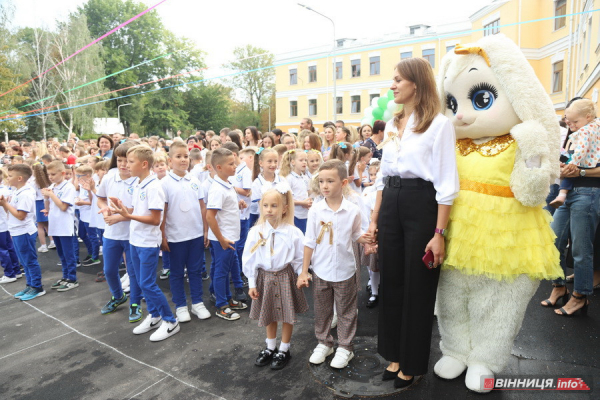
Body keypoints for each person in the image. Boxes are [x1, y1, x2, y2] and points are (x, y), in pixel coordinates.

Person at [368, 57, 459, 388]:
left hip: (422, 204)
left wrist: (439, 233)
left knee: (418, 286)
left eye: (397, 80)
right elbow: (383, 176)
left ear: (417, 84)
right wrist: (375, 219)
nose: (392, 85)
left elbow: (447, 184)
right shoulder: (392, 124)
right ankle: (394, 355)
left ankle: (413, 363)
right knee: (392, 279)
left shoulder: (439, 124)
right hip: (392, 202)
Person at [297, 160, 371, 369]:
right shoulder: (316, 210)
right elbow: (309, 240)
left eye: (330, 181)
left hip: (345, 270)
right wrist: (304, 271)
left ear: (344, 182)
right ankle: (324, 343)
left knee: (346, 311)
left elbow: (356, 233)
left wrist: (366, 240)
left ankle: (345, 347)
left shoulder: (352, 210)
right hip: (321, 270)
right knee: (322, 311)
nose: (325, 186)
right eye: (321, 182)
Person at [110, 145, 180, 341]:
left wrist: (128, 214)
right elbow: (139, 209)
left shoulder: (154, 186)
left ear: (143, 164)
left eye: (131, 162)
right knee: (139, 282)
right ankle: (155, 315)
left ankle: (170, 320)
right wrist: (121, 209)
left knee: (147, 283)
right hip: (135, 240)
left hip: (148, 243)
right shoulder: (139, 183)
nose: (126, 165)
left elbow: (155, 219)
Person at [243, 185, 308, 370]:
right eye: (265, 205)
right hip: (265, 278)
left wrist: (301, 274)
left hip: (286, 277)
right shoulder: (256, 232)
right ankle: (270, 347)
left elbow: (298, 257)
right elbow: (249, 258)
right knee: (270, 313)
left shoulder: (293, 232)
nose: (269, 210)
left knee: (287, 314)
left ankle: (284, 349)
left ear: (285, 208)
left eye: (274, 206)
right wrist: (252, 283)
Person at [160, 141, 211, 322]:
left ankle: (197, 303)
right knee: (176, 273)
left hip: (195, 235)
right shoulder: (164, 183)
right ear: (170, 160)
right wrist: (163, 235)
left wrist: (205, 231)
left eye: (185, 156)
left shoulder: (195, 181)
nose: (183, 160)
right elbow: (163, 212)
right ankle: (181, 306)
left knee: (196, 271)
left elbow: (203, 208)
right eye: (178, 156)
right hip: (175, 237)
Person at [96, 142, 142, 320]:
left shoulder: (139, 180)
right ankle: (118, 296)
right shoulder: (109, 177)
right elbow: (100, 199)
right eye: (120, 160)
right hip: (111, 234)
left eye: (128, 161)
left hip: (133, 235)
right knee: (109, 270)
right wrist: (106, 208)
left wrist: (119, 217)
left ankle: (135, 303)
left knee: (133, 272)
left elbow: (139, 210)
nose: (124, 165)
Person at [206, 148, 248, 320]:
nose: (235, 166)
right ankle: (221, 305)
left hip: (229, 236)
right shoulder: (217, 189)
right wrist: (221, 239)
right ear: (219, 167)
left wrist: (237, 205)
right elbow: (210, 216)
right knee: (221, 272)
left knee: (225, 270)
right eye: (231, 164)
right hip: (224, 238)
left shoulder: (227, 183)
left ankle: (228, 299)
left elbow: (224, 209)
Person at [1, 165, 44, 299]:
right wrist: (7, 203)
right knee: (24, 261)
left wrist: (5, 205)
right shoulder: (16, 191)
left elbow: (21, 215)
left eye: (10, 176)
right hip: (17, 231)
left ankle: (37, 287)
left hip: (24, 232)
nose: (7, 178)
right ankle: (30, 285)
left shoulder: (26, 193)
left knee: (29, 260)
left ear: (19, 178)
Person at [549, 99, 600, 208]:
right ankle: (561, 195)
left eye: (574, 120)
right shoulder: (573, 138)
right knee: (556, 225)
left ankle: (561, 195)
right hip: (570, 193)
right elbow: (565, 161)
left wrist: (579, 171)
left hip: (587, 190)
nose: (568, 121)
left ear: (588, 117)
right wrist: (562, 168)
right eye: (566, 117)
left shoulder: (587, 132)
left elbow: (578, 156)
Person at [42, 161, 80, 292]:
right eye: (49, 174)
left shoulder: (68, 187)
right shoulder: (53, 186)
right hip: (55, 224)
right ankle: (65, 276)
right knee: (61, 254)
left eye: (53, 174)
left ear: (63, 173)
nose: (50, 177)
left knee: (68, 254)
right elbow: (48, 207)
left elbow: (64, 207)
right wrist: (46, 198)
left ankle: (72, 278)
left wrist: (51, 195)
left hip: (65, 225)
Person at [222, 142, 251, 302]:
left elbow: (247, 192)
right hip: (232, 215)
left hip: (242, 214)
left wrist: (231, 188)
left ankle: (238, 272)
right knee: (234, 246)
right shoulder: (230, 172)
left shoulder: (243, 170)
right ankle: (236, 273)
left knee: (239, 246)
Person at [75, 165, 101, 267]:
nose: (77, 177)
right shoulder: (82, 185)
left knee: (92, 236)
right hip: (83, 214)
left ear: (88, 175)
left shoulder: (93, 185)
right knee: (81, 234)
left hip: (90, 215)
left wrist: (82, 203)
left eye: (79, 175)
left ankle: (95, 257)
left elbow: (93, 202)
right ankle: (91, 252)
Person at [280, 150, 311, 233]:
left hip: (305, 214)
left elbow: (308, 193)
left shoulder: (305, 178)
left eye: (305, 160)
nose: (304, 162)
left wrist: (309, 202)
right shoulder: (289, 179)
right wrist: (302, 203)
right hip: (295, 215)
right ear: (293, 162)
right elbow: (287, 199)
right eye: (301, 160)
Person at [250, 148, 282, 227]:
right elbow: (261, 205)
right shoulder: (257, 184)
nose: (273, 164)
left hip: (280, 219)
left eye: (275, 161)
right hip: (265, 220)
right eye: (269, 161)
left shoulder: (282, 180)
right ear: (261, 163)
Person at [0, 170, 22, 284]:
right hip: (6, 224)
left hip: (2, 225)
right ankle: (16, 270)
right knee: (9, 248)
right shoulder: (6, 189)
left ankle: (9, 273)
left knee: (3, 250)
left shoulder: (4, 191)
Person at [31, 163, 53, 252]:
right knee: (48, 224)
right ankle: (52, 241)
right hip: (47, 201)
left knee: (40, 226)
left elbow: (33, 194)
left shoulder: (34, 182)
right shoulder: (48, 180)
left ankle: (43, 245)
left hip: (38, 203)